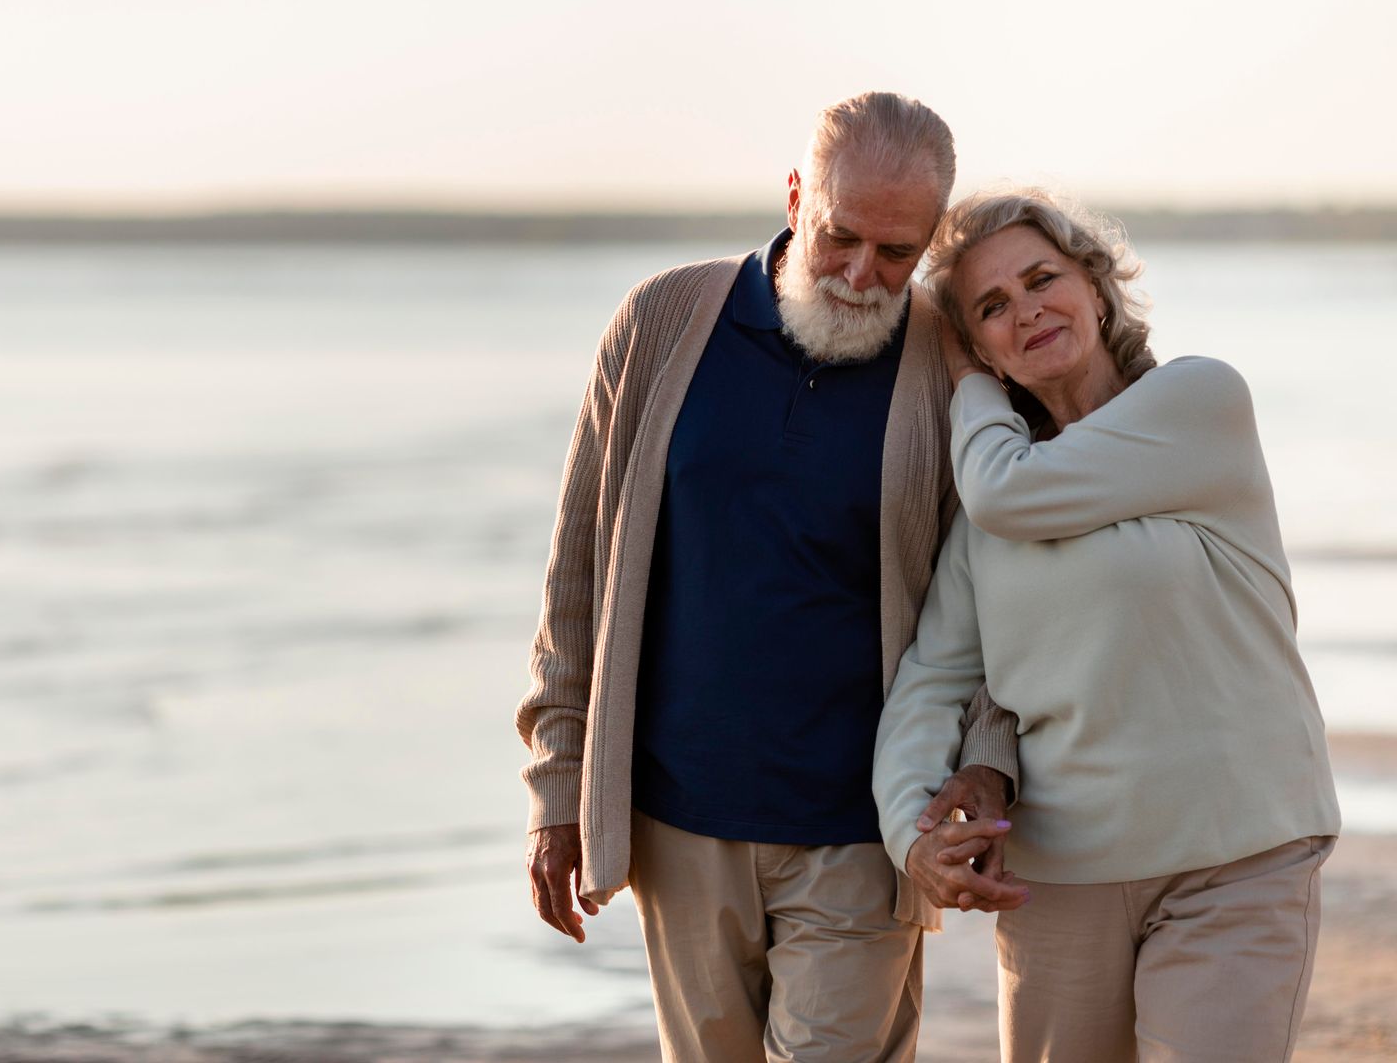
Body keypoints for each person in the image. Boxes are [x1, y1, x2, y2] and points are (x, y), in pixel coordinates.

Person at [515, 92, 1025, 1063]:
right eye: (841, 237)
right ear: (796, 196)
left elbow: (1005, 594)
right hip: (677, 827)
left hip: (867, 831)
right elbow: (578, 576)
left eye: (898, 254)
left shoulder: (954, 371)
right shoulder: (661, 323)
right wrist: (557, 790)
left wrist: (988, 762)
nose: (863, 275)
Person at [873, 188, 1342, 1061]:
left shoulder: (1199, 406)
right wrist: (913, 836)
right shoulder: (987, 515)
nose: (1029, 311)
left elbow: (1008, 488)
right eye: (992, 309)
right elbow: (930, 684)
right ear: (983, 347)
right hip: (1056, 881)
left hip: (1238, 859)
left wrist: (968, 375)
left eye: (1043, 278)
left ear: (1095, 285)